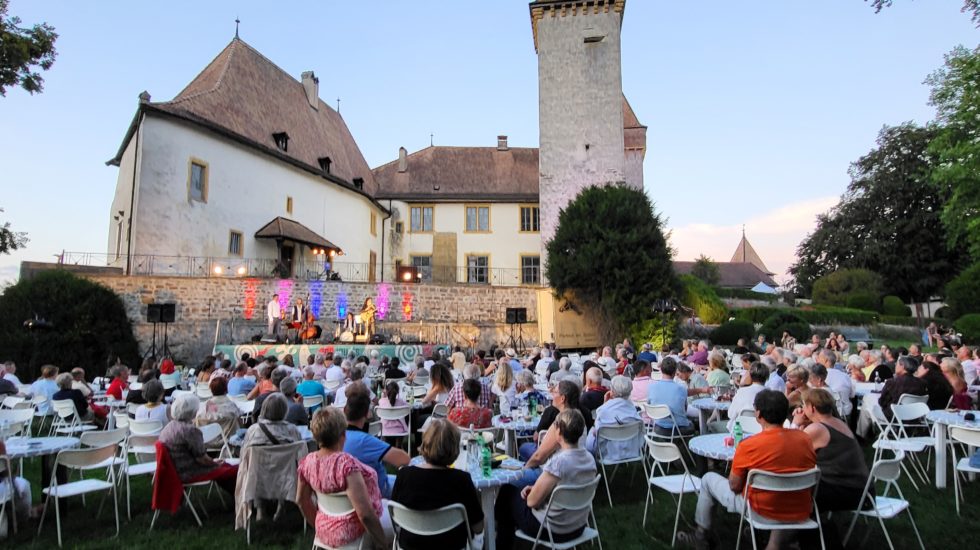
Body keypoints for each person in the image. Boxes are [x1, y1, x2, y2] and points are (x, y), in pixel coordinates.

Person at [681, 390, 817, 550]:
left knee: (708, 479)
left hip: (760, 510)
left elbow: (734, 486)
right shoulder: (805, 439)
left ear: (758, 414)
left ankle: (700, 536)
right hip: (799, 508)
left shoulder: (749, 445)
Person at [496, 409, 597, 549]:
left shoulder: (559, 462)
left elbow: (531, 502)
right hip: (578, 526)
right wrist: (536, 489)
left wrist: (533, 494)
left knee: (507, 493)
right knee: (518, 493)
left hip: (552, 529)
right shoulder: (589, 459)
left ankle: (501, 543)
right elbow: (567, 487)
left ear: (559, 431)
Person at [297, 408, 392, 550]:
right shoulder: (347, 466)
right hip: (354, 532)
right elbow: (365, 514)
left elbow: (301, 500)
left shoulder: (307, 463)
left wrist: (319, 525)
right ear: (343, 434)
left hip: (324, 530)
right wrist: (382, 544)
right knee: (399, 523)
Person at [390, 419, 484, 549]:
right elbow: (478, 527)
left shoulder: (404, 475)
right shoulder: (462, 480)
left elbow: (396, 518)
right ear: (454, 447)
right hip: (452, 545)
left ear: (425, 444)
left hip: (411, 545)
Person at [791, 388, 869, 515]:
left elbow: (789, 451)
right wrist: (804, 425)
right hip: (860, 490)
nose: (802, 409)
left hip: (847, 492)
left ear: (812, 408)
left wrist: (795, 424)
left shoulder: (818, 429)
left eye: (804, 405)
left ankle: (778, 530)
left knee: (788, 492)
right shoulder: (837, 422)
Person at [158, 393, 238, 493]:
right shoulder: (190, 430)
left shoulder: (169, 427)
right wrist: (215, 463)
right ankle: (241, 499)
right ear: (193, 411)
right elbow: (202, 458)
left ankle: (238, 498)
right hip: (190, 471)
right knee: (234, 469)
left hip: (176, 469)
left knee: (225, 466)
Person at [344, 383, 410, 498]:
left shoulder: (334, 438)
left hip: (344, 494)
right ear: (367, 414)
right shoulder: (365, 441)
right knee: (410, 484)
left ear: (344, 410)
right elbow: (404, 459)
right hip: (374, 491)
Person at [586, 375, 642, 460]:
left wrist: (605, 404)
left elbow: (596, 432)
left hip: (608, 451)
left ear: (611, 391)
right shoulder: (634, 412)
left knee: (592, 431)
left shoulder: (603, 410)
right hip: (631, 450)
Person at [647, 357, 695, 436]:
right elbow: (685, 410)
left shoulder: (651, 387)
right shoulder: (681, 389)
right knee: (693, 423)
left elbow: (649, 405)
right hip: (678, 428)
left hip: (658, 427)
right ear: (675, 371)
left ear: (661, 370)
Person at [727, 362, 769, 433]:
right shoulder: (771, 394)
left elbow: (730, 414)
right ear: (767, 377)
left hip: (740, 432)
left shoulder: (742, 391)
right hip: (762, 431)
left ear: (751, 376)